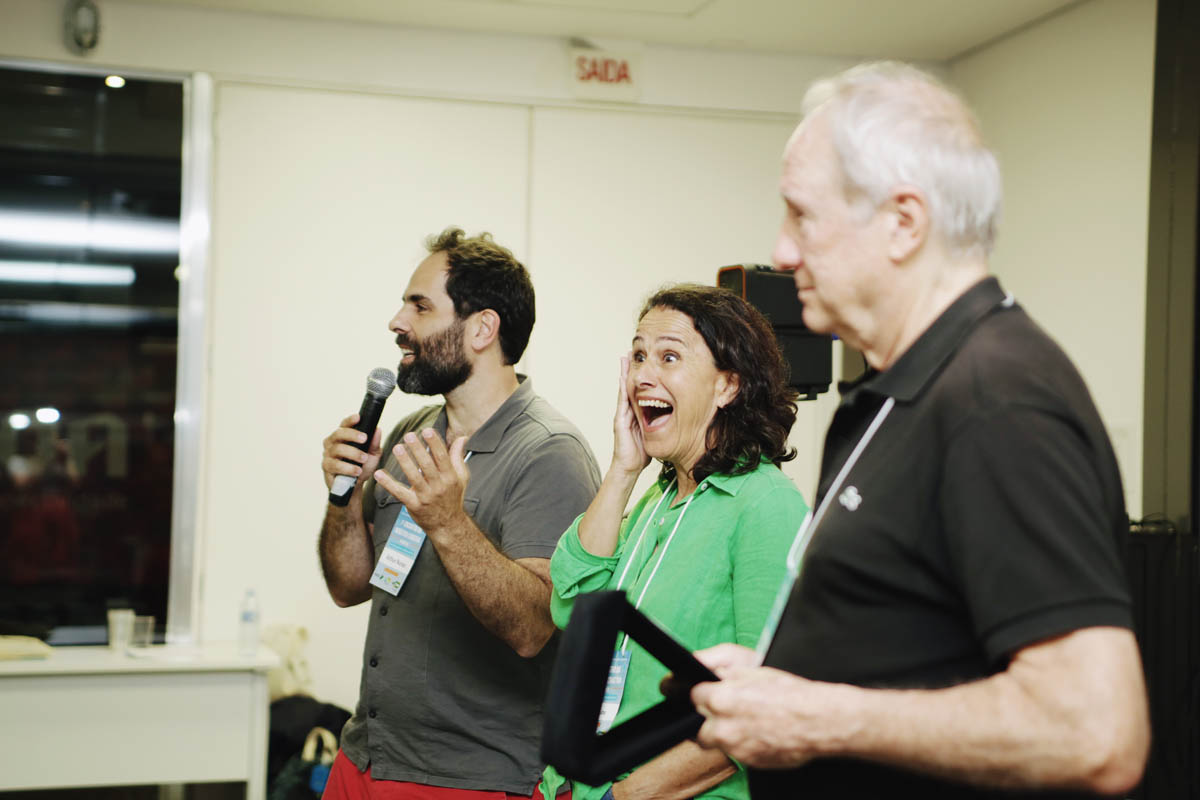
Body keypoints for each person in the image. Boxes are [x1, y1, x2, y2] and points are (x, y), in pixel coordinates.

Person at [688, 62, 1151, 799]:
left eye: (802, 216)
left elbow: (1095, 730)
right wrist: (783, 684)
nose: (782, 251)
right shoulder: (905, 388)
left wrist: (820, 718)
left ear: (904, 223)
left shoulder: (996, 400)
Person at [318, 227, 601, 800]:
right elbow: (349, 587)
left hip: (471, 779)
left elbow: (533, 629)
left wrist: (448, 522)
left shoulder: (550, 452)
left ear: (482, 329)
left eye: (420, 306)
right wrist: (345, 494)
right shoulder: (413, 432)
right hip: (367, 757)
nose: (397, 322)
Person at [540, 284, 809, 800]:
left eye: (669, 357)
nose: (642, 375)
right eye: (639, 355)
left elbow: (764, 707)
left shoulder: (766, 504)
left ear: (727, 385)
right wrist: (623, 470)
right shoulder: (657, 499)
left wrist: (625, 796)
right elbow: (571, 609)